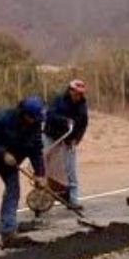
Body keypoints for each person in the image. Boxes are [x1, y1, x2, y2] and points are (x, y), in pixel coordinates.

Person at [0, 96, 46, 247]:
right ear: (23, 113)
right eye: (31, 117)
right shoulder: (1, 118)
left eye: (36, 119)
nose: (34, 121)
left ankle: (8, 230)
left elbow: (36, 149)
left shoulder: (36, 124)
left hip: (12, 161)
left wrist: (40, 174)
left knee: (13, 190)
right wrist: (3, 153)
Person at [44, 79, 88, 211]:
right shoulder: (58, 100)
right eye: (76, 93)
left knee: (70, 169)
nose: (78, 96)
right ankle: (42, 197)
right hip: (51, 135)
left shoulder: (82, 105)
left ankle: (73, 199)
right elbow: (50, 115)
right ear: (70, 90)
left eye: (81, 94)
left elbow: (83, 124)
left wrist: (75, 139)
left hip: (69, 138)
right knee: (44, 165)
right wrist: (65, 121)